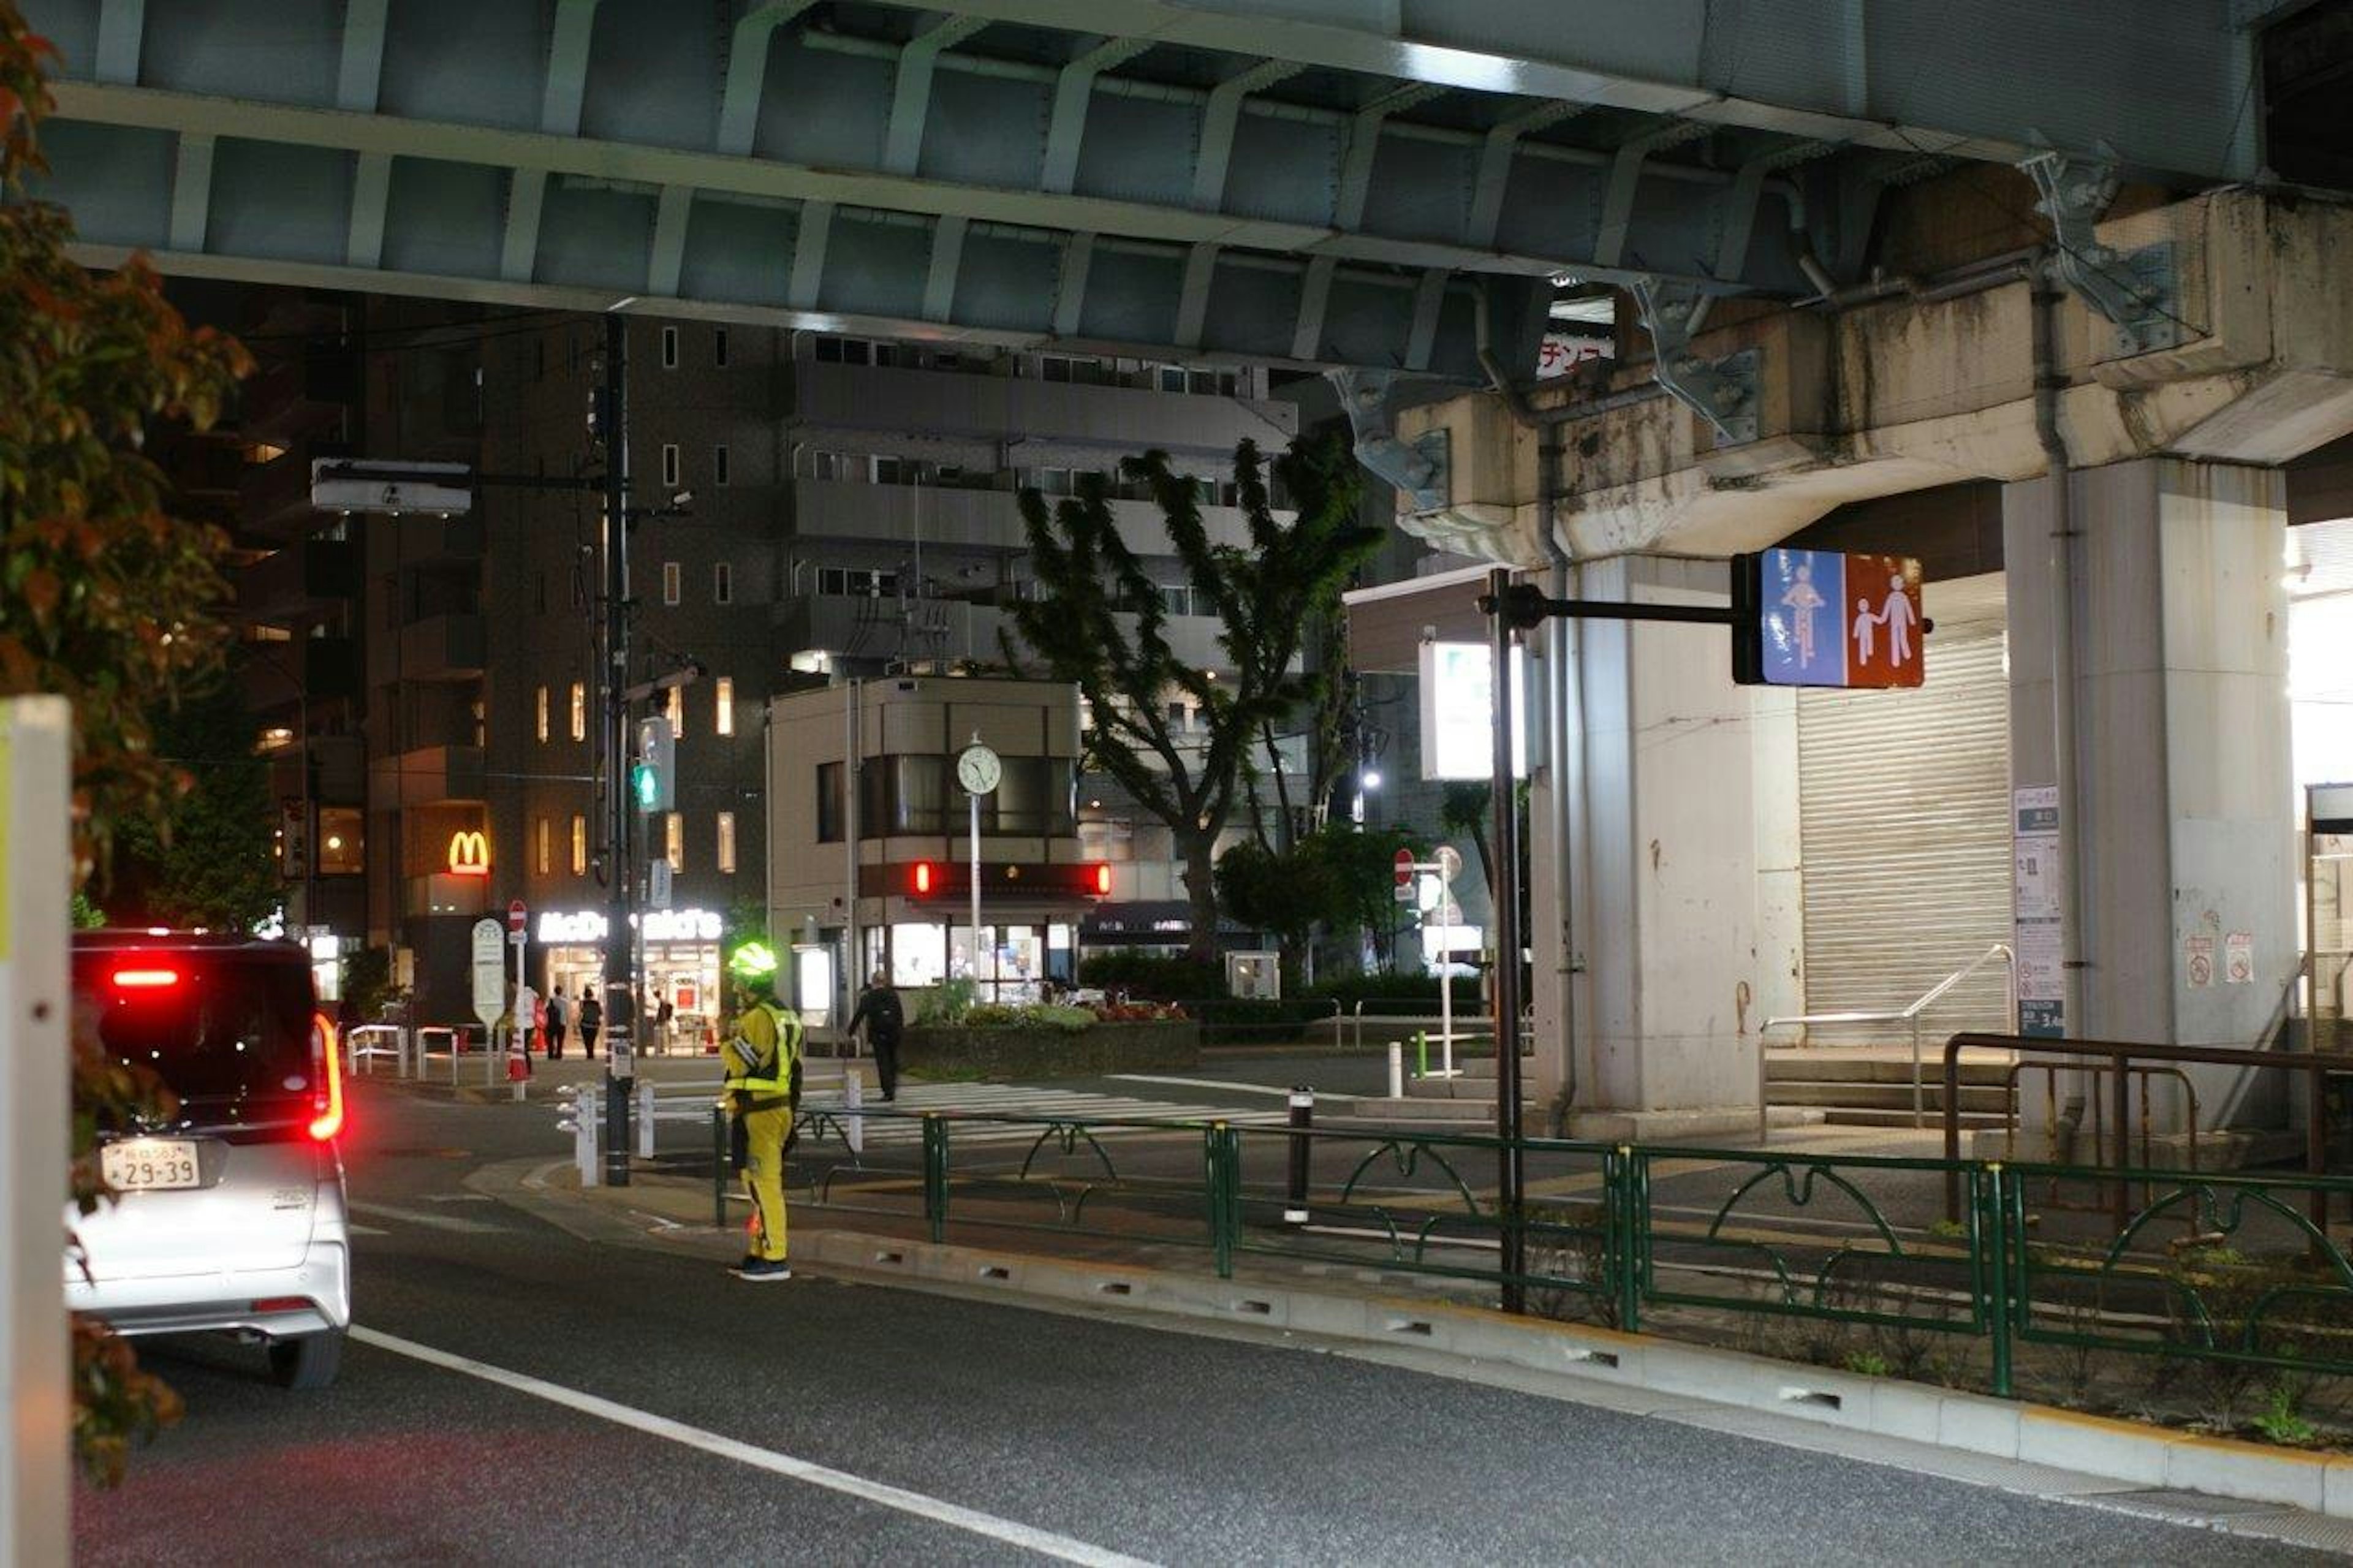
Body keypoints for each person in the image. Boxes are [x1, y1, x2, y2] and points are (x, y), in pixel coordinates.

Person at [721, 941, 801, 1281]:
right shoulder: (785, 1014)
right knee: (756, 1181)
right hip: (777, 1107)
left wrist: (726, 1037)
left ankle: (774, 1254)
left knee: (763, 1184)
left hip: (760, 1110)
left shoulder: (756, 1018)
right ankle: (759, 1250)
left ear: (749, 982)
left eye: (739, 978)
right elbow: (793, 1068)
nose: (736, 985)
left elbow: (744, 1063)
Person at [844, 968, 904, 1102]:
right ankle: (893, 1087)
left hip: (878, 1035)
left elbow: (859, 1015)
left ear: (873, 982)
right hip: (894, 1034)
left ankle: (887, 1091)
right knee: (893, 1061)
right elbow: (900, 1015)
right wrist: (900, 1031)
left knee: (883, 1063)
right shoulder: (893, 995)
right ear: (885, 981)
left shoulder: (869, 997)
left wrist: (850, 1032)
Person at [546, 985, 569, 1061]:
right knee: (560, 1040)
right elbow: (566, 1013)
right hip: (562, 1023)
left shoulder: (551, 1000)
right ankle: (559, 1054)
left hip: (552, 1023)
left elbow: (546, 1011)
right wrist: (567, 1021)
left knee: (551, 1039)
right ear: (561, 992)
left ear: (555, 991)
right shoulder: (565, 1002)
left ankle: (550, 1054)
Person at [578, 988, 602, 1061]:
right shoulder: (596, 1003)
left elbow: (581, 1013)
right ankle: (591, 1053)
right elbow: (600, 1013)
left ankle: (589, 1053)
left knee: (587, 1040)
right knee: (592, 1040)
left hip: (585, 1024)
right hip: (594, 1025)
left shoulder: (582, 1003)